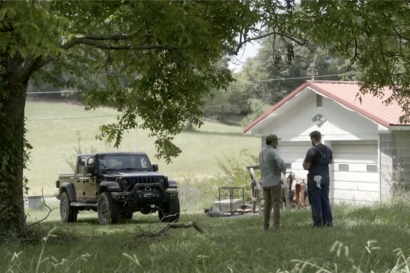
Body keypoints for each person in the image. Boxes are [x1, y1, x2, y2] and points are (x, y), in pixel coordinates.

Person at [303, 130, 333, 228]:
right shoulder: (328, 149)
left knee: (315, 201)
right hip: (325, 178)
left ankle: (318, 224)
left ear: (313, 138)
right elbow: (331, 161)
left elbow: (306, 166)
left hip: (315, 179)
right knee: (325, 200)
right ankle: (328, 222)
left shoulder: (312, 150)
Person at [259, 134, 286, 231]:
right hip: (274, 182)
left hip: (265, 182)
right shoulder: (273, 152)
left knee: (267, 204)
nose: (277, 144)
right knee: (276, 204)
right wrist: (282, 170)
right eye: (276, 141)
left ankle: (265, 226)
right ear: (273, 142)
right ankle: (276, 226)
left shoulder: (261, 153)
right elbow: (282, 162)